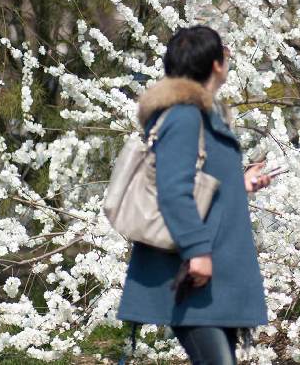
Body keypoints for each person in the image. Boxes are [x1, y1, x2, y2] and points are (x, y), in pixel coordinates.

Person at [116, 25, 273, 364]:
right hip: (193, 272)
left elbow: (197, 179)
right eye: (225, 54)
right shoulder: (185, 116)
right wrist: (197, 251)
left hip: (211, 275)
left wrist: (239, 183)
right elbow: (173, 191)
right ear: (216, 65)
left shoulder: (203, 116)